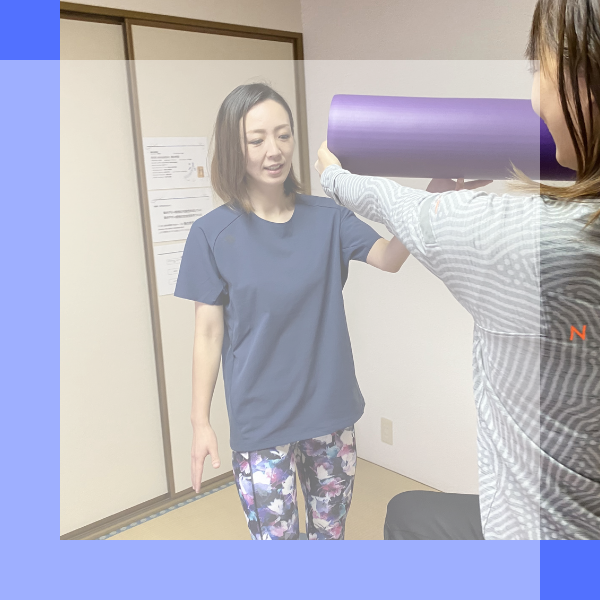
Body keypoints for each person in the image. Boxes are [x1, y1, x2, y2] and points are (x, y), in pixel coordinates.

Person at [315, 0, 600, 540]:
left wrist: (334, 176)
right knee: (410, 511)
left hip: (547, 547)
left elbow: (409, 226)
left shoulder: (545, 243)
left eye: (539, 68)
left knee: (407, 517)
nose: (534, 98)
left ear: (583, 83)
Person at [174, 83, 409, 540]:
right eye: (256, 139)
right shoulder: (210, 234)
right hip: (261, 423)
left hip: (331, 414)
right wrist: (200, 422)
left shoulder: (328, 217)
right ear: (233, 148)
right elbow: (208, 334)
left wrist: (432, 200)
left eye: (283, 135)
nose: (274, 150)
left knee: (329, 539)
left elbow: (390, 258)